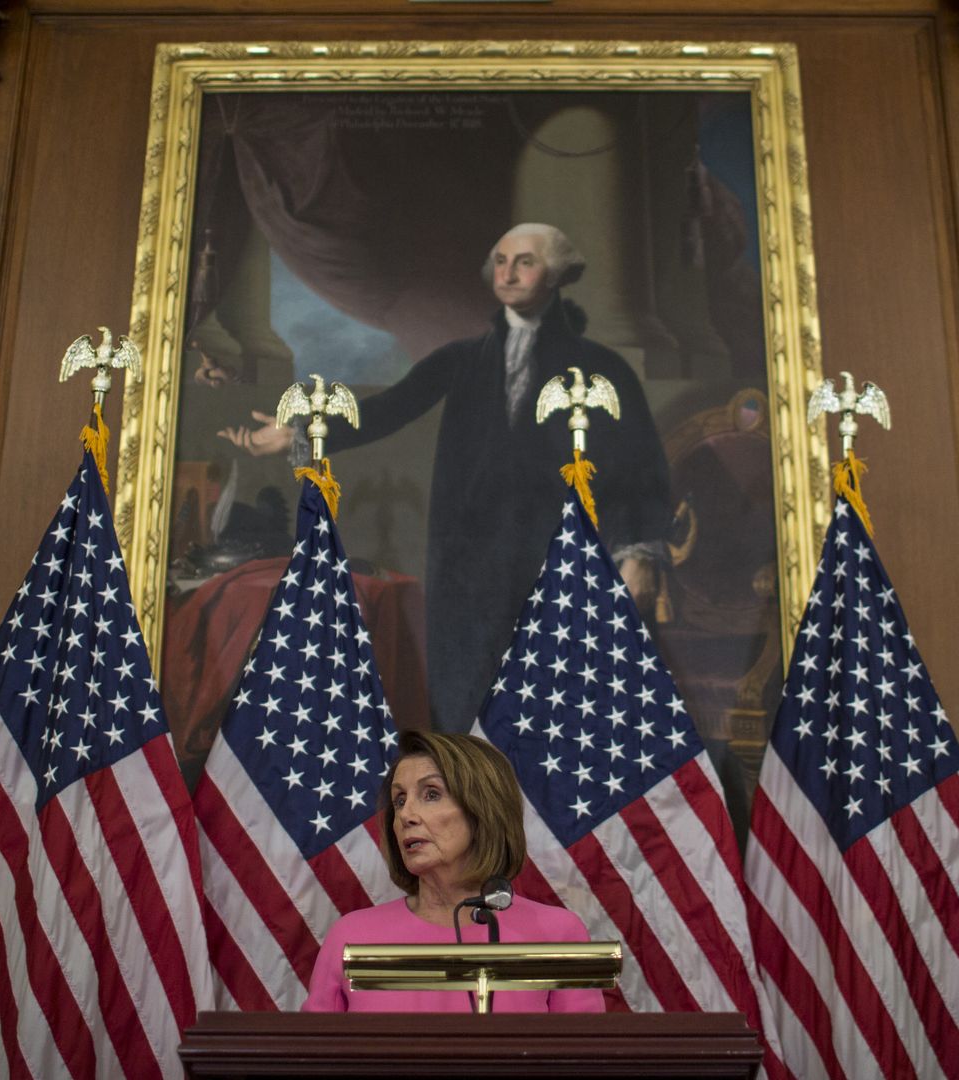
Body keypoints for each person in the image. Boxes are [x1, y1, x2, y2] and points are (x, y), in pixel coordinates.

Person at [222, 224, 673, 731]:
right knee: (467, 710)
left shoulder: (600, 368)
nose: (509, 272)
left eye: (525, 261)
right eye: (501, 261)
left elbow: (639, 468)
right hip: (470, 569)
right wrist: (300, 432)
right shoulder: (463, 360)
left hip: (560, 567)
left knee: (559, 714)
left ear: (558, 273)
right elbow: (389, 409)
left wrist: (636, 554)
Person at [302, 731, 605, 1012]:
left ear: (483, 810)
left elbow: (585, 1061)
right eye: (399, 800)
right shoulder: (352, 936)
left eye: (431, 794)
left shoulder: (556, 934)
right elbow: (312, 1061)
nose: (406, 815)